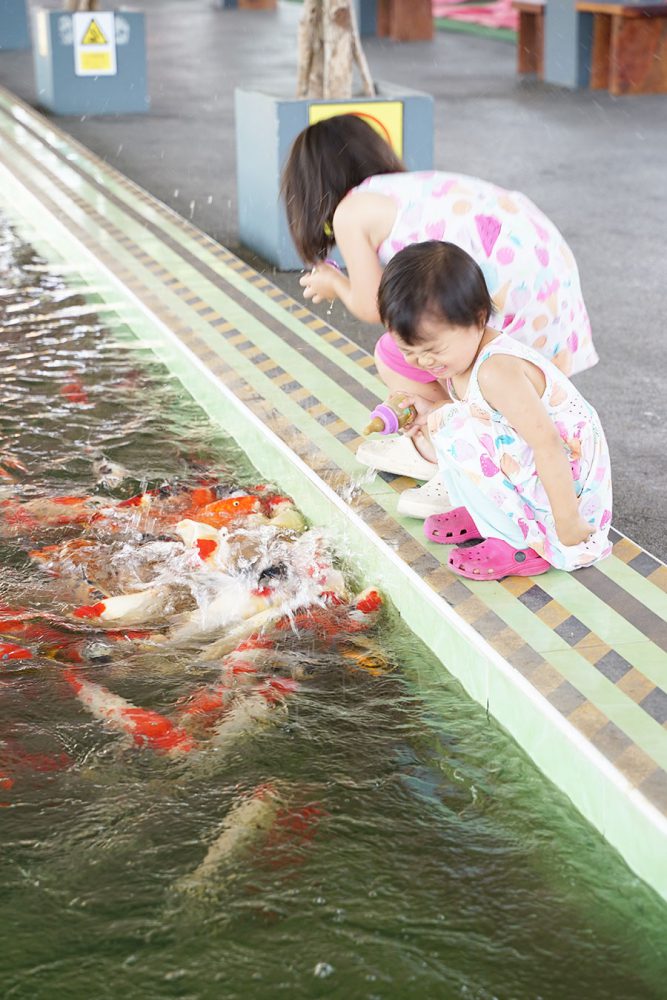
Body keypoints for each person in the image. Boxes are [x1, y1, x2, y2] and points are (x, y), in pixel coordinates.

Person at [281, 114, 598, 517]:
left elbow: (373, 304)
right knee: (453, 362)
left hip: (507, 309)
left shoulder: (350, 211)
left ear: (309, 188)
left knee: (401, 354)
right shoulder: (406, 188)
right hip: (550, 294)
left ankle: (455, 457)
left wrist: (335, 284)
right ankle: (464, 443)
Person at [375, 241, 612, 580]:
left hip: (569, 480)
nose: (423, 362)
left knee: (457, 429)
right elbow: (478, 415)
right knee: (445, 420)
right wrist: (431, 409)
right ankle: (486, 512)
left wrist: (568, 520)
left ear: (478, 318)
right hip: (534, 466)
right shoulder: (460, 358)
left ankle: (520, 544)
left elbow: (548, 444)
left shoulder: (496, 371)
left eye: (432, 349)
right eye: (408, 352)